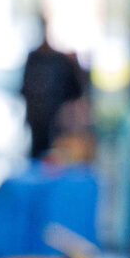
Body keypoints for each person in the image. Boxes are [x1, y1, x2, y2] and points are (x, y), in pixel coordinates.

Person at [20, 19, 89, 163]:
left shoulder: (61, 62)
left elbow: (76, 92)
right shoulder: (34, 59)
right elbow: (25, 89)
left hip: (57, 125)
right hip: (38, 123)